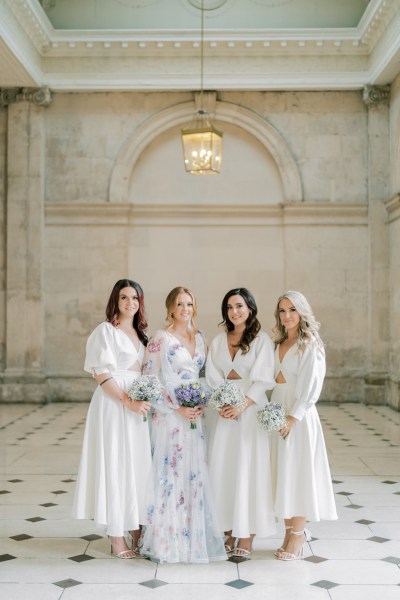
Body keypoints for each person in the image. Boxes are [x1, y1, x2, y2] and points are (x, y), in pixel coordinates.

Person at [140, 286, 226, 563]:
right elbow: (149, 380)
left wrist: (200, 402)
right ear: (170, 308)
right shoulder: (160, 339)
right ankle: (168, 542)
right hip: (169, 416)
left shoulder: (200, 337)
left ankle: (193, 538)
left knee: (193, 472)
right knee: (171, 473)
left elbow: (203, 376)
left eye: (189, 303)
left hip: (194, 415)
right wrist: (176, 407)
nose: (185, 308)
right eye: (179, 304)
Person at [72, 279, 152, 559]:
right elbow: (101, 373)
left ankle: (136, 526)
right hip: (114, 402)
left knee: (138, 466)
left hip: (137, 407)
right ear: (115, 301)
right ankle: (116, 535)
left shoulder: (142, 335)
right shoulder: (105, 331)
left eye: (135, 298)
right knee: (116, 465)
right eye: (124, 297)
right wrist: (127, 400)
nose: (130, 302)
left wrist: (141, 400)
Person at [205, 287, 276, 560]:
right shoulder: (218, 340)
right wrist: (222, 403)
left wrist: (242, 404)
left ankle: (246, 535)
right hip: (223, 413)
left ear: (250, 309)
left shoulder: (261, 340)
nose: (235, 312)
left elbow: (264, 378)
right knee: (223, 469)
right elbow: (212, 376)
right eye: (230, 307)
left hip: (249, 411)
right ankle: (227, 530)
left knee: (248, 469)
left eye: (240, 306)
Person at [270, 291, 337, 561]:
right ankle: (287, 531)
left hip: (298, 416)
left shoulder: (310, 344)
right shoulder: (278, 343)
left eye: (292, 310)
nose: (287, 316)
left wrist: (293, 418)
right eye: (282, 311)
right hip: (277, 412)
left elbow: (312, 386)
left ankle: (298, 535)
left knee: (298, 474)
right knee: (283, 474)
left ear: (302, 312)